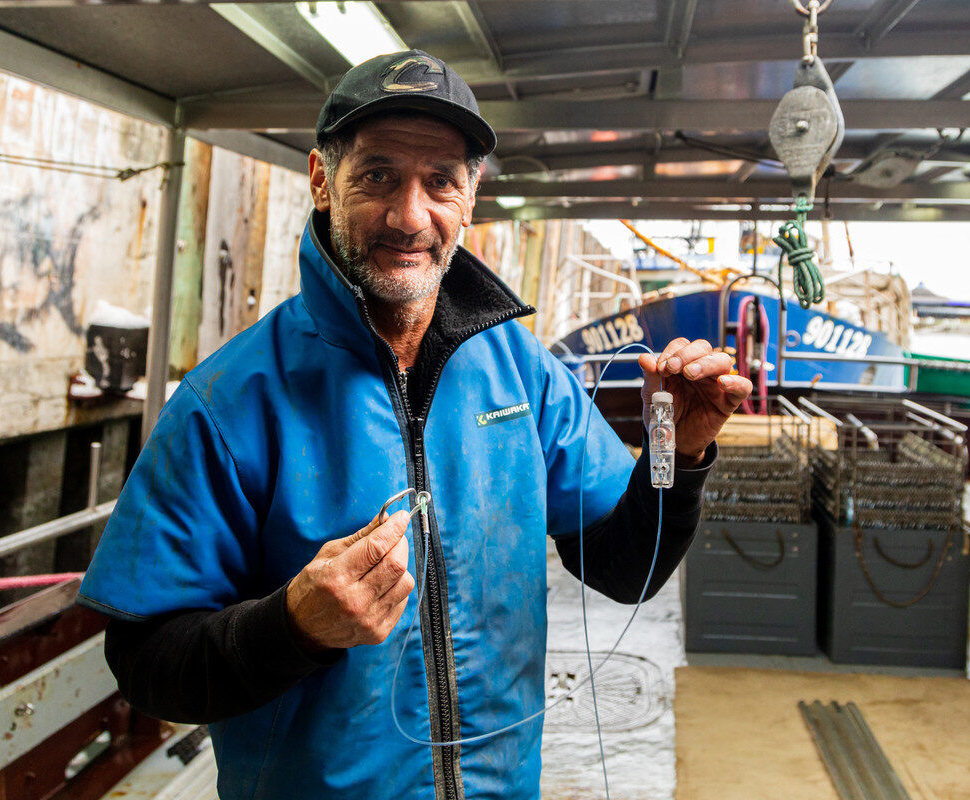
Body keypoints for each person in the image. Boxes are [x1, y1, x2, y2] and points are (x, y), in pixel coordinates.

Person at [78, 50, 752, 800]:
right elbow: (145, 663)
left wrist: (676, 447)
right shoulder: (228, 402)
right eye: (377, 176)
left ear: (471, 198)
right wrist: (291, 627)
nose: (409, 215)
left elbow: (629, 567)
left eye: (440, 182)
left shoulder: (520, 373)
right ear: (321, 180)